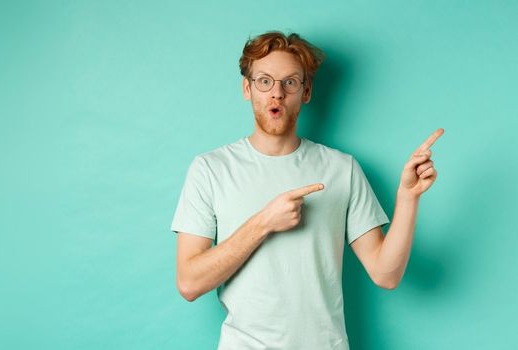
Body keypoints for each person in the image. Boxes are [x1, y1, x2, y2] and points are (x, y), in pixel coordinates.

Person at [170, 31, 443, 349]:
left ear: (306, 91)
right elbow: (189, 283)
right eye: (264, 81)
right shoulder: (210, 169)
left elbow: (386, 274)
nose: (277, 94)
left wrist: (408, 198)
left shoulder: (342, 169)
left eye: (290, 82)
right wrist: (264, 223)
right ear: (247, 88)